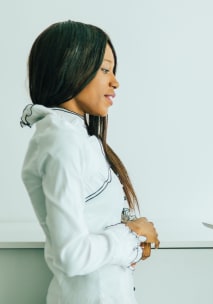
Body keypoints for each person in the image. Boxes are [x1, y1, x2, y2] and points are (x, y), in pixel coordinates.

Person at [20, 20, 159, 303]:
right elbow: (72, 255)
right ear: (70, 68)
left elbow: (95, 224)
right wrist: (132, 236)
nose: (115, 81)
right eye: (105, 69)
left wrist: (134, 245)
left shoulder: (75, 137)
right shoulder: (61, 141)